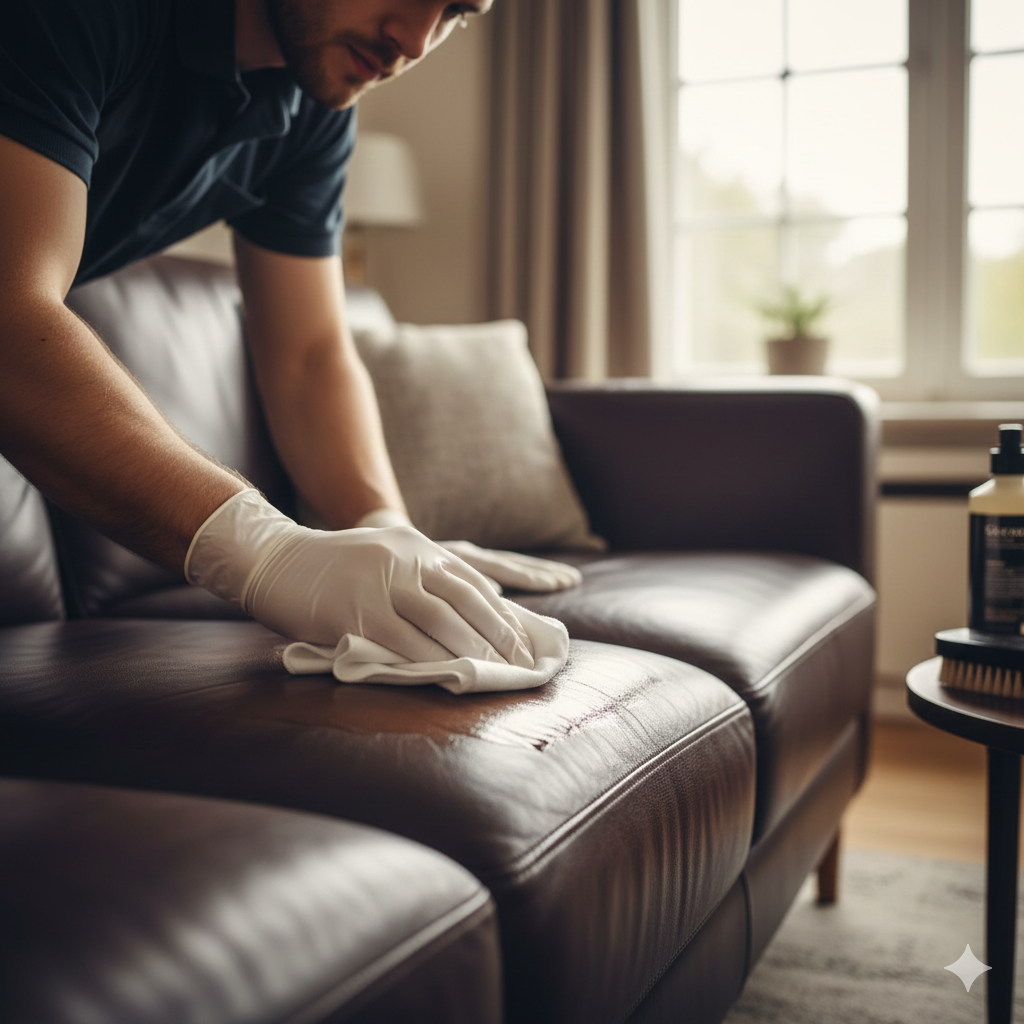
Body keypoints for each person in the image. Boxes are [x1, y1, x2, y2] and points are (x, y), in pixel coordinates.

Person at [0, 0, 579, 672]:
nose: (416, 40)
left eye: (455, 12)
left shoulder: (314, 111)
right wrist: (265, 551)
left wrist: (384, 527)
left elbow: (309, 357)